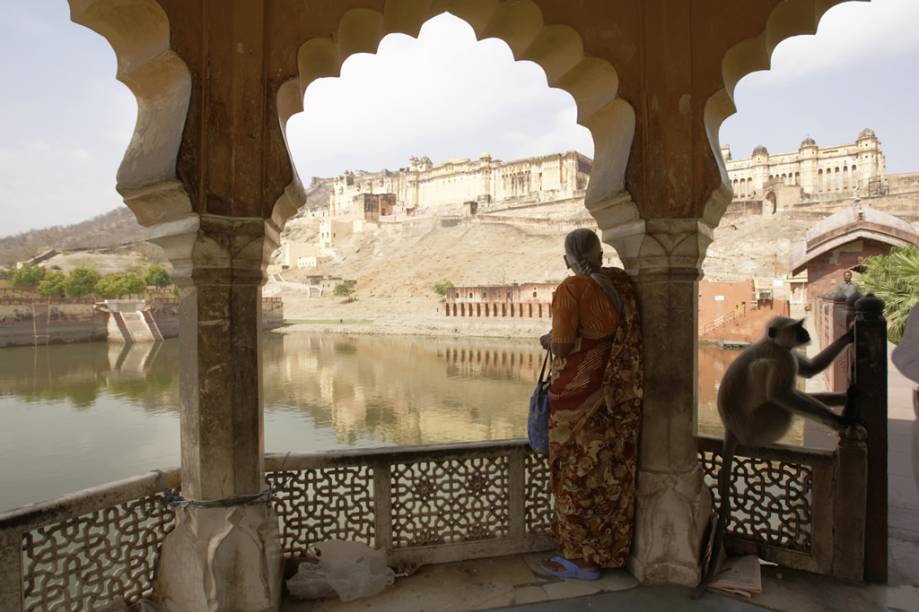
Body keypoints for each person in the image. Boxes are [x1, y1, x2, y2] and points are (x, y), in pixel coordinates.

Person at [538, 228, 643, 580]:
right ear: (600, 254)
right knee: (605, 476)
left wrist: (548, 339)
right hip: (613, 397)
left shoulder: (572, 289)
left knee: (572, 477)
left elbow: (565, 345)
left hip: (575, 400)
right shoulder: (622, 288)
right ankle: (605, 550)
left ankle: (581, 561)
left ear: (568, 258)